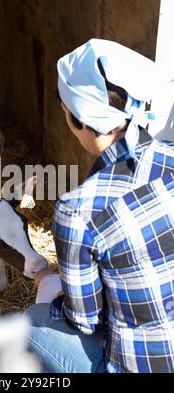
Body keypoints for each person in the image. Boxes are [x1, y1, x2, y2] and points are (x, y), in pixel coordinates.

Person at [25, 38, 174, 373]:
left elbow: (86, 321)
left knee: (34, 321)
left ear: (77, 119)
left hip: (145, 364)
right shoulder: (170, 155)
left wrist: (48, 283)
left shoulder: (77, 209)